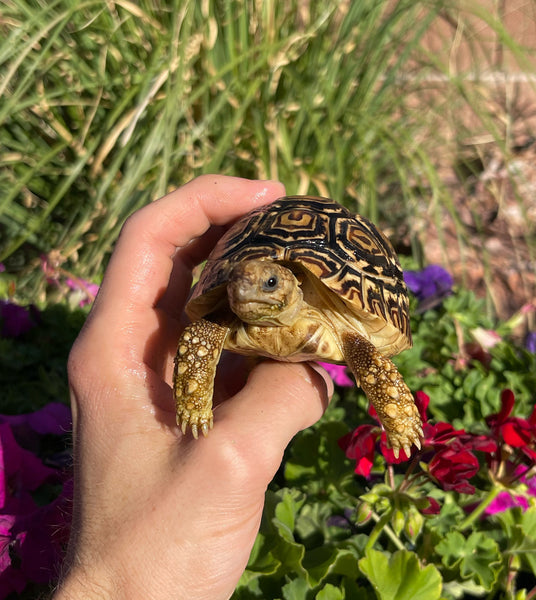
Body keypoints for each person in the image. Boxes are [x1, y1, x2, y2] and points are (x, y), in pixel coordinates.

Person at [55, 175, 333, 599]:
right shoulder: (223, 314)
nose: (245, 290)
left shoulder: (334, 312)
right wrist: (193, 400)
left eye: (269, 283)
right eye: (238, 280)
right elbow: (203, 332)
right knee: (202, 336)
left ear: (292, 285)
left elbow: (368, 352)